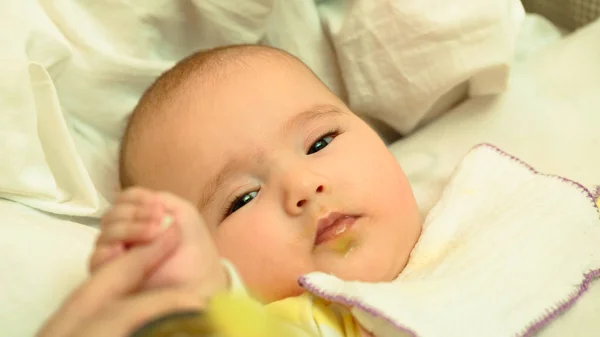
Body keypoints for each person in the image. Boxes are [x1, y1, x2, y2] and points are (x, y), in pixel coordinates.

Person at [38, 44, 600, 337]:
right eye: (241, 199)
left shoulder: (485, 212)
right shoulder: (296, 322)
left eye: (320, 141)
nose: (303, 187)